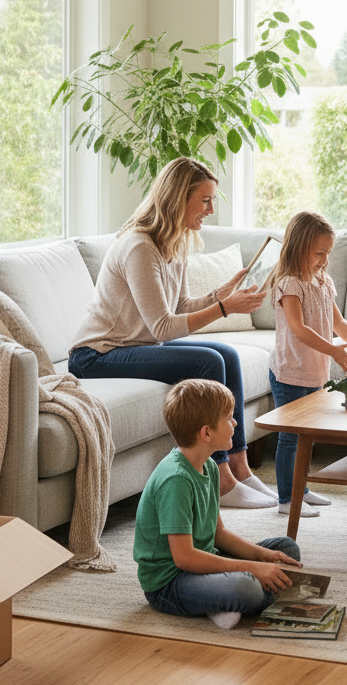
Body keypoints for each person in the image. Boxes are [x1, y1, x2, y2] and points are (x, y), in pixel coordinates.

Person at [69, 157, 277, 508]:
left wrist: (220, 294)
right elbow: (163, 326)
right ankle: (221, 481)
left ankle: (242, 467)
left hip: (134, 346)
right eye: (205, 200)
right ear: (179, 199)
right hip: (97, 355)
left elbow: (179, 305)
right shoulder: (139, 247)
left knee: (226, 355)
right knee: (208, 361)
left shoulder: (176, 242)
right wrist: (226, 309)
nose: (210, 210)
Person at [133, 379, 303, 629]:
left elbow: (217, 533)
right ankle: (220, 601)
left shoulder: (210, 466)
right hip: (169, 583)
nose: (235, 423)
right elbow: (184, 559)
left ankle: (219, 600)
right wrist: (253, 569)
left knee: (286, 549)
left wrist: (263, 556)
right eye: (229, 418)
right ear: (206, 433)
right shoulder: (176, 480)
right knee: (248, 588)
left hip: (204, 561)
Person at [268, 211, 347, 517]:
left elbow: (338, 322)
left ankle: (303, 490)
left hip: (314, 372)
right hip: (289, 372)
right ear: (299, 248)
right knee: (291, 436)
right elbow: (299, 329)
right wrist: (337, 352)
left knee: (306, 435)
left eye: (328, 253)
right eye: (319, 253)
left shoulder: (323, 281)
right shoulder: (289, 284)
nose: (325, 260)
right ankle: (287, 499)